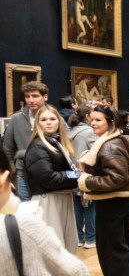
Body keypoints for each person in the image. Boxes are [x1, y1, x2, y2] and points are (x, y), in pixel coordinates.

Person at [78, 105, 129, 276]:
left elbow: (116, 177)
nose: (93, 123)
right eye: (92, 119)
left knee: (112, 249)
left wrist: (86, 181)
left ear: (111, 122)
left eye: (98, 120)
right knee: (121, 245)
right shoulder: (119, 140)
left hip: (112, 201)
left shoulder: (109, 145)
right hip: (119, 200)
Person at [24, 105, 81, 253]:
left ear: (58, 121)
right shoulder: (37, 146)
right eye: (43, 120)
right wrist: (76, 175)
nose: (48, 122)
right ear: (38, 123)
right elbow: (48, 178)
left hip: (63, 197)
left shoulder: (57, 142)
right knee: (54, 247)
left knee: (68, 245)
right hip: (48, 200)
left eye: (52, 119)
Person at [3, 81, 51, 201]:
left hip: (48, 172)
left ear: (45, 97)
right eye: (27, 96)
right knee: (26, 208)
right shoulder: (16, 118)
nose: (31, 100)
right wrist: (11, 174)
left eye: (35, 96)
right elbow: (7, 150)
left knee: (46, 209)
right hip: (22, 174)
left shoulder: (54, 118)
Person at [67, 105, 97, 249]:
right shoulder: (89, 132)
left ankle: (79, 237)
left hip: (71, 173)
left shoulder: (68, 131)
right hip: (85, 173)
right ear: (87, 117)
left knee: (77, 206)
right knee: (90, 205)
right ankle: (91, 239)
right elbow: (95, 153)